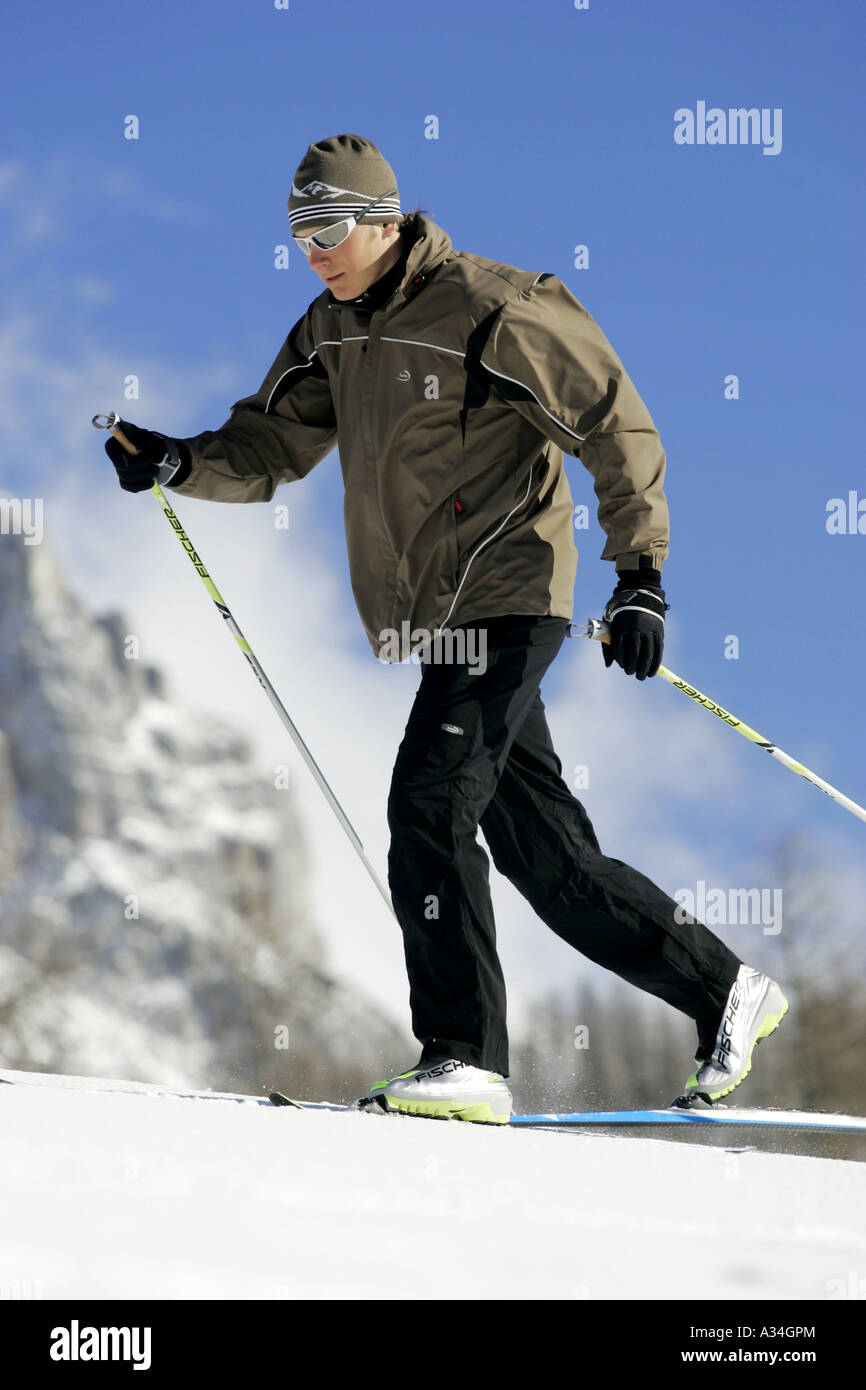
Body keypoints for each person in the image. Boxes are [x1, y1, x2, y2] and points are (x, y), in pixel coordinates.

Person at [105, 133, 788, 1123]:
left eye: (329, 229)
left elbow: (612, 420)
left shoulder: (492, 305)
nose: (313, 251)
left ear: (385, 221)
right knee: (550, 863)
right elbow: (269, 445)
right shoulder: (328, 329)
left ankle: (463, 1055)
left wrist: (639, 575)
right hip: (441, 614)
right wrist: (178, 462)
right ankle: (725, 989)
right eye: (298, 233)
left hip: (505, 591)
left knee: (428, 805)